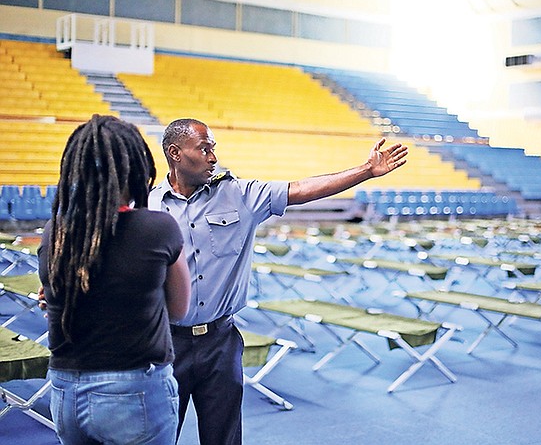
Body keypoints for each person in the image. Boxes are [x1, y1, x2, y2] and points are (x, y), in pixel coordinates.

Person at [149, 118, 408, 445]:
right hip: (166, 343)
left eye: (213, 148)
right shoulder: (149, 206)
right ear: (175, 153)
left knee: (224, 437)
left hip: (220, 341)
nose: (213, 157)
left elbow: (299, 190)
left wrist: (365, 171)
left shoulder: (239, 194)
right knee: (158, 435)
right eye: (204, 149)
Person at [37, 115, 191, 445]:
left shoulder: (56, 233)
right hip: (132, 389)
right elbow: (179, 309)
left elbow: (53, 302)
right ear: (135, 169)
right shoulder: (158, 228)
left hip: (65, 388)